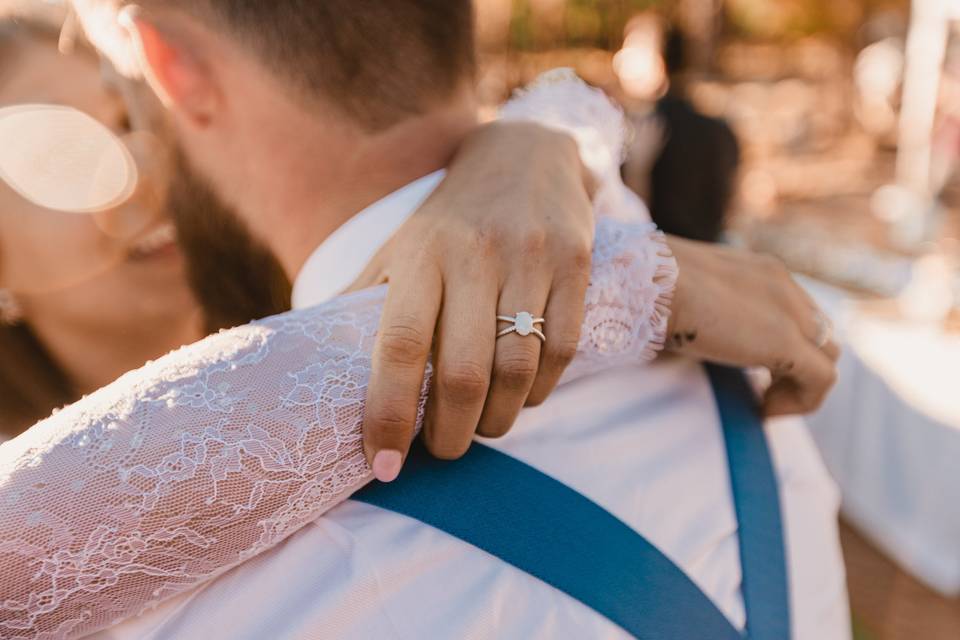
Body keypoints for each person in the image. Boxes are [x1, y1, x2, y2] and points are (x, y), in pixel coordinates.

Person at [0, 2, 846, 639]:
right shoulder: (709, 325)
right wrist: (624, 281)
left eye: (121, 109)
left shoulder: (236, 607)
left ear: (169, 63)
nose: (132, 175)